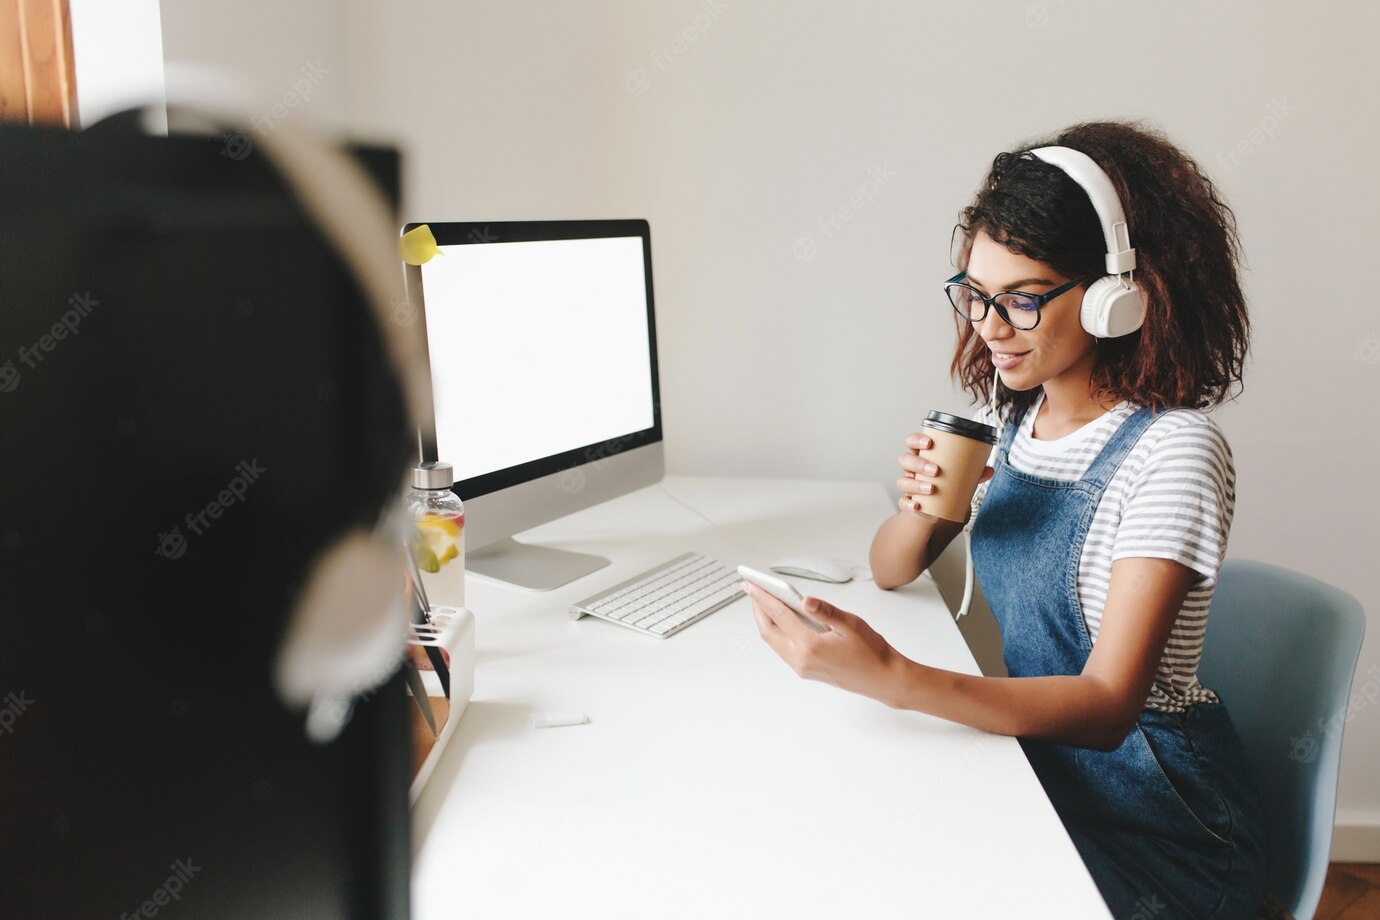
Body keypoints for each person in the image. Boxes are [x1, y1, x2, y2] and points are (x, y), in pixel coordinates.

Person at [743, 121, 1281, 919]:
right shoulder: (1005, 424)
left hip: (1162, 829)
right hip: (1046, 775)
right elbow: (891, 566)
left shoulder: (1173, 453)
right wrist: (930, 509)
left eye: (1022, 300)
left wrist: (894, 680)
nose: (989, 326)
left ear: (1116, 300)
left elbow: (1106, 707)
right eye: (976, 294)